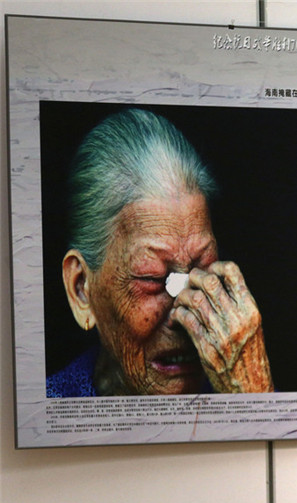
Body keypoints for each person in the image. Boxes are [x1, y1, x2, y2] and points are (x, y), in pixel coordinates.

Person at [47, 108, 274, 397]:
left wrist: (253, 396)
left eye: (201, 274)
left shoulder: (244, 388)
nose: (184, 311)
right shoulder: (52, 405)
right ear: (81, 289)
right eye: (152, 279)